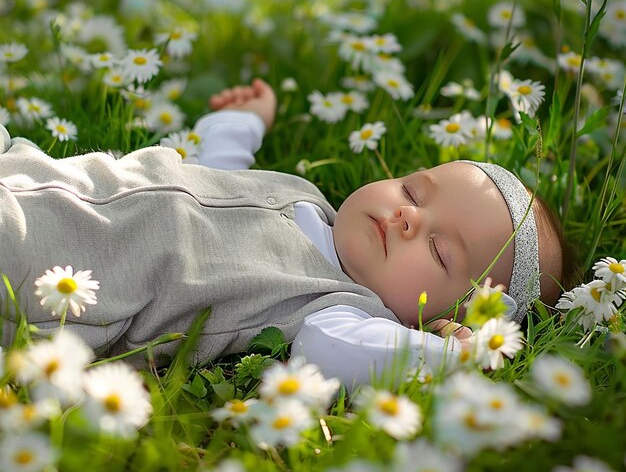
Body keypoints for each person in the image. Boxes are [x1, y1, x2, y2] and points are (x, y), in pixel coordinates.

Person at [0, 79, 569, 388]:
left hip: (47, 267)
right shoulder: (304, 198)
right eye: (413, 191)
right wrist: (242, 122)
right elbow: (219, 170)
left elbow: (344, 353)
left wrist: (457, 357)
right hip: (33, 168)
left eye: (440, 250)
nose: (406, 216)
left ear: (440, 316)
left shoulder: (331, 308)